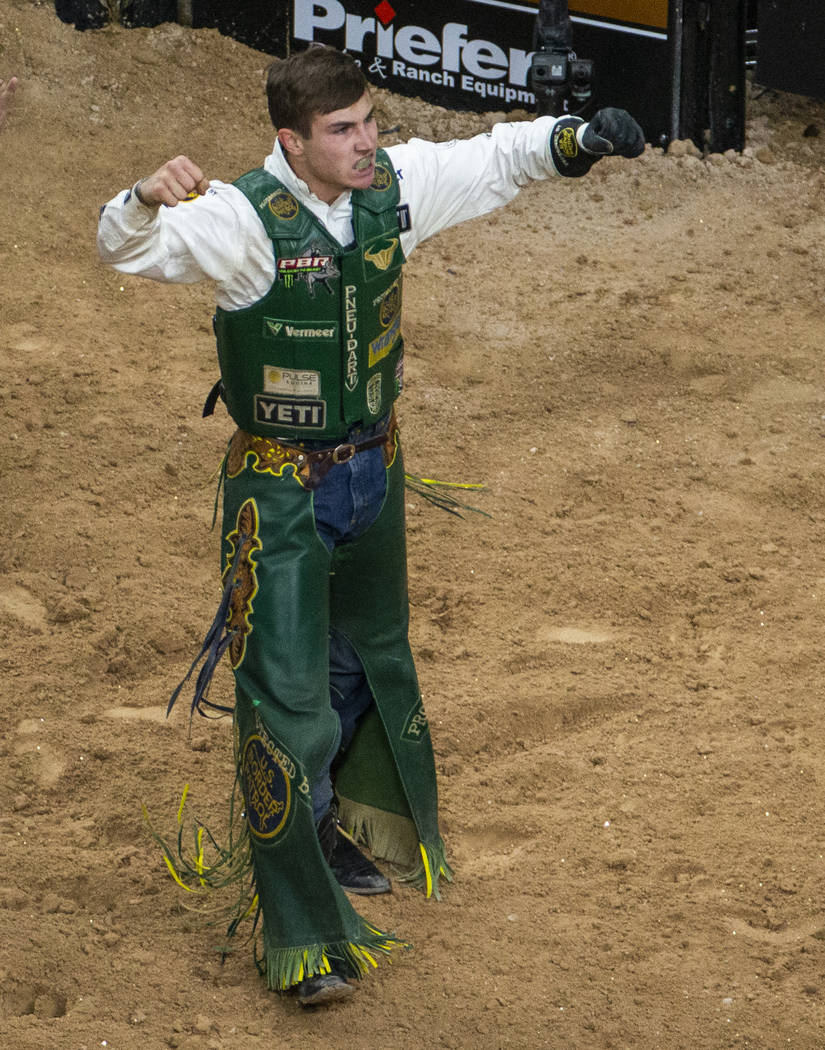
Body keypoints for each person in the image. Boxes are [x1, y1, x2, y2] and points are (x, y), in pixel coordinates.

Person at [97, 45, 644, 1007]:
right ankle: (302, 934)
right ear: (291, 142)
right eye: (342, 131)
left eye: (370, 122)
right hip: (280, 493)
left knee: (361, 660)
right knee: (285, 695)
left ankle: (327, 826)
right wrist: (142, 197)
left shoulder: (391, 188)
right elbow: (128, 248)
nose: (366, 143)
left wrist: (573, 140)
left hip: (373, 474)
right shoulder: (237, 222)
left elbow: (490, 160)